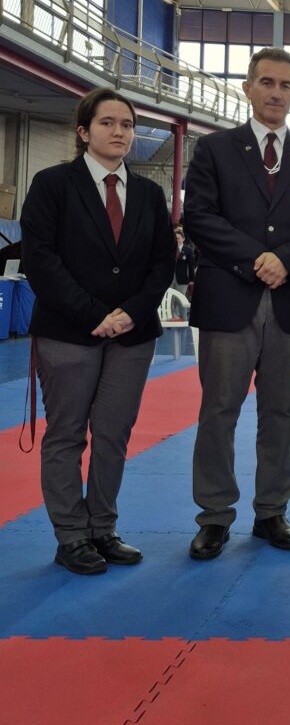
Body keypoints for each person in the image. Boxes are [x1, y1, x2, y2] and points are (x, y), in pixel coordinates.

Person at [184, 48, 290, 560]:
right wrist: (256, 259)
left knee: (280, 412)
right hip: (230, 297)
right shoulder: (214, 149)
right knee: (219, 411)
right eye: (268, 82)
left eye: (286, 85)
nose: (277, 92)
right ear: (248, 87)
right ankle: (214, 516)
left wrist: (286, 261)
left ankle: (272, 511)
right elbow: (199, 216)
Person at [20, 88, 175, 575]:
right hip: (68, 332)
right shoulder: (53, 185)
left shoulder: (149, 194)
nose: (119, 132)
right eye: (108, 123)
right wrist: (93, 314)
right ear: (84, 132)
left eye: (127, 125)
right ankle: (71, 536)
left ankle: (103, 528)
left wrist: (132, 312)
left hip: (132, 334)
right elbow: (40, 259)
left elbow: (163, 262)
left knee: (113, 435)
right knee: (67, 434)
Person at [172, 224, 196, 297]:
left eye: (178, 238)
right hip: (170, 279)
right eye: (175, 238)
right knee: (170, 299)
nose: (177, 240)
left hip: (182, 279)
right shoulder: (170, 249)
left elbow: (191, 265)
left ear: (183, 239)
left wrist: (191, 279)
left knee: (180, 298)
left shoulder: (188, 250)